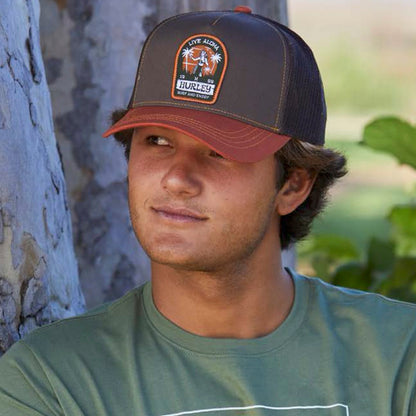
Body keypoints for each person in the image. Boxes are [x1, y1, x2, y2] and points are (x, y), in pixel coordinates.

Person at [1, 6, 415, 416]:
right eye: (157, 141)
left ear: (293, 184)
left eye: (219, 151)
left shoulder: (398, 357)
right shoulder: (52, 384)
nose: (176, 178)